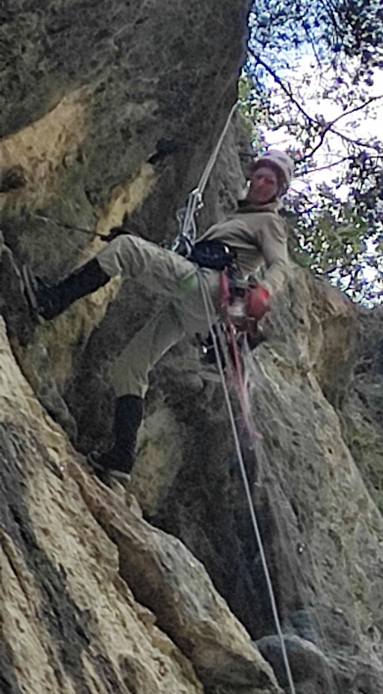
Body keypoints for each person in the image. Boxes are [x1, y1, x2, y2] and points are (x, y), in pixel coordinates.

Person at [26, 150, 293, 477]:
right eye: (261, 176)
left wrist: (264, 290)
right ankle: (121, 457)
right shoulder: (243, 217)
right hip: (195, 304)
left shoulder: (270, 222)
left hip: (207, 288)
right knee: (130, 366)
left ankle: (51, 301)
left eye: (271, 182)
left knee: (126, 250)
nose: (262, 183)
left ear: (278, 192)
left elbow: (280, 264)